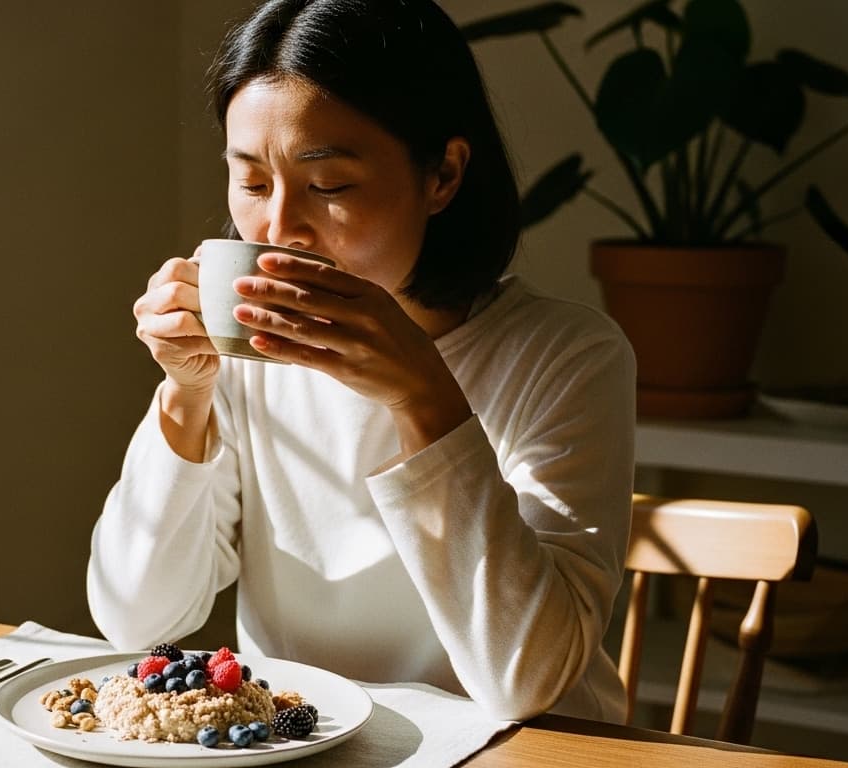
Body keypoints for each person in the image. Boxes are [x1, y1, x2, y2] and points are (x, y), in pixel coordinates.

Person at [86, 0, 634, 723]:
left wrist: (424, 400)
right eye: (251, 182)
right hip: (306, 748)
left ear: (443, 174)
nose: (280, 229)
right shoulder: (252, 357)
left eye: (330, 186)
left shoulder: (567, 357)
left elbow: (526, 685)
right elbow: (135, 617)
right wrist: (187, 394)